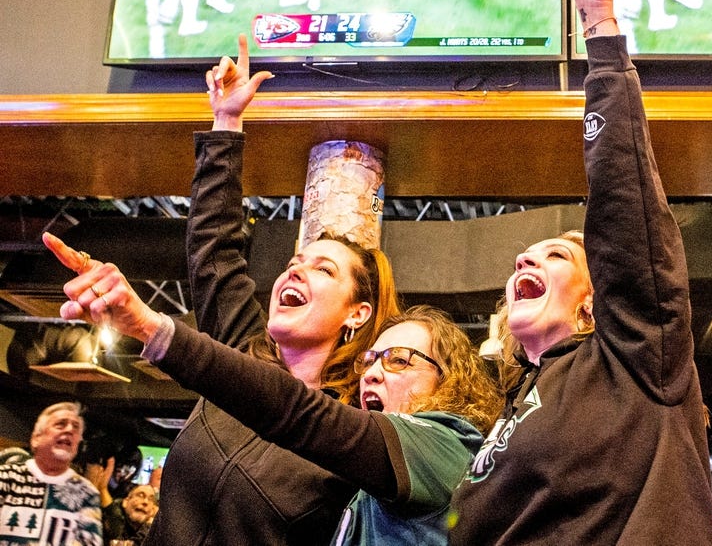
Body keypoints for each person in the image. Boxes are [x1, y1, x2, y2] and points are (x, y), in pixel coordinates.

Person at [46, 31, 401, 545]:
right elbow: (214, 252)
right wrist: (226, 122)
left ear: (357, 313)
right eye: (294, 262)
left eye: (323, 269)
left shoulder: (351, 430)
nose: (293, 272)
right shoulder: (241, 353)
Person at [447, 0, 712, 545]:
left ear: (599, 303)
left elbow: (625, 210)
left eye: (557, 255)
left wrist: (598, 20)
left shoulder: (633, 357)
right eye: (529, 254)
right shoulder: (524, 401)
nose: (523, 258)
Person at [47, 234, 503, 546]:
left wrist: (151, 328)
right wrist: (225, 124)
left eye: (399, 360)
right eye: (291, 264)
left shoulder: (433, 443)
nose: (373, 373)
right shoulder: (245, 365)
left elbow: (299, 414)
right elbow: (216, 261)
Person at [0, 402, 103, 545]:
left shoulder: (87, 493)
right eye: (60, 424)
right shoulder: (6, 478)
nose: (69, 430)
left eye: (75, 427)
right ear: (36, 438)